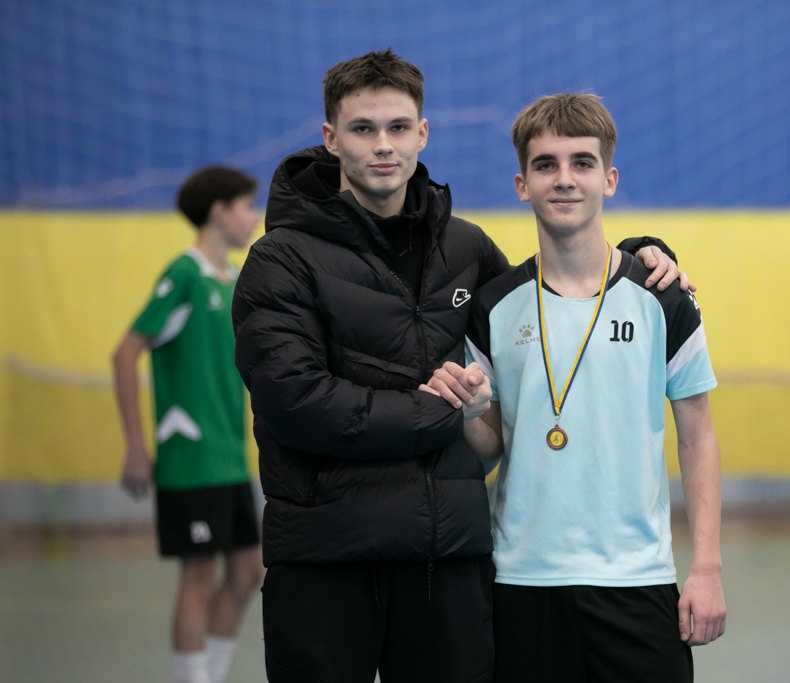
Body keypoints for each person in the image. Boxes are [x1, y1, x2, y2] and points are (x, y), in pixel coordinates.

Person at [231, 49, 691, 683]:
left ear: (422, 133)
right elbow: (295, 402)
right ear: (331, 139)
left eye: (398, 127)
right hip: (326, 558)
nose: (383, 145)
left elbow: (552, 286)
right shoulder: (279, 258)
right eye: (363, 129)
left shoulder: (465, 247)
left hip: (446, 562)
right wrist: (439, 413)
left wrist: (640, 259)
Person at [423, 93, 726, 683]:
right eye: (546, 165)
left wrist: (707, 569)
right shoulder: (493, 305)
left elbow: (698, 438)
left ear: (609, 179)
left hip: (637, 582)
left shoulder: (664, 297)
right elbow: (493, 445)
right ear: (522, 185)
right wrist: (466, 410)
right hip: (521, 581)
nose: (564, 179)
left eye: (582, 163)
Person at [113, 166, 264, 683]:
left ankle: (211, 675)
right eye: (247, 206)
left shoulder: (235, 278)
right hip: (190, 457)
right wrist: (136, 445)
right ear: (219, 211)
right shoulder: (183, 274)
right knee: (198, 574)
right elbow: (124, 353)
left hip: (230, 456)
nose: (254, 217)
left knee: (247, 571)